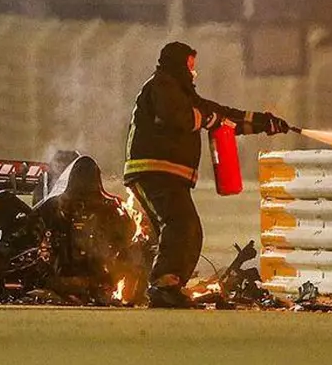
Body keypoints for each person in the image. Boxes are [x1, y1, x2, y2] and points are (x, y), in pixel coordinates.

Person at [123, 41, 290, 308]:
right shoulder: (161, 86)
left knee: (190, 230)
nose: (193, 73)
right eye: (190, 67)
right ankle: (163, 285)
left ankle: (171, 284)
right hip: (152, 171)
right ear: (178, 65)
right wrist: (208, 118)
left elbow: (223, 116)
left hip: (170, 175)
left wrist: (263, 122)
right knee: (179, 224)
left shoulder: (181, 92)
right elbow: (177, 117)